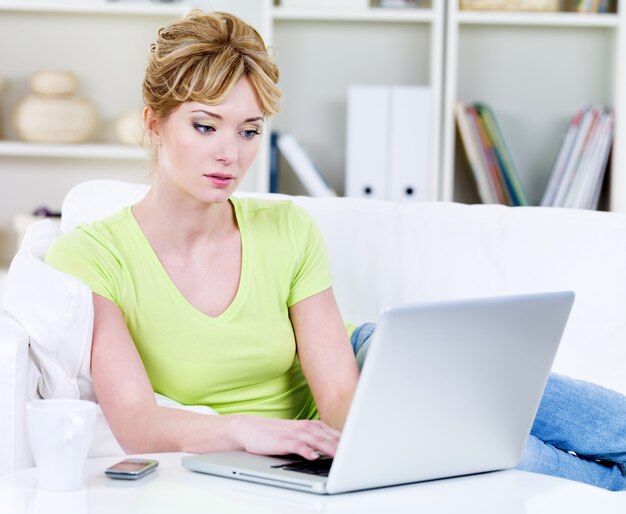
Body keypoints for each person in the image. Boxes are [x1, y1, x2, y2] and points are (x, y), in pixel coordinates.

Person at [45, 10, 626, 491]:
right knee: (547, 470)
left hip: (373, 378)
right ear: (153, 124)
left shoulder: (285, 227)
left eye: (248, 130)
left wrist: (391, 436)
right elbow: (137, 422)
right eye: (205, 126)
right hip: (288, 449)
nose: (231, 154)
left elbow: (340, 394)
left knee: (612, 428)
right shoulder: (93, 256)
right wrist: (251, 432)